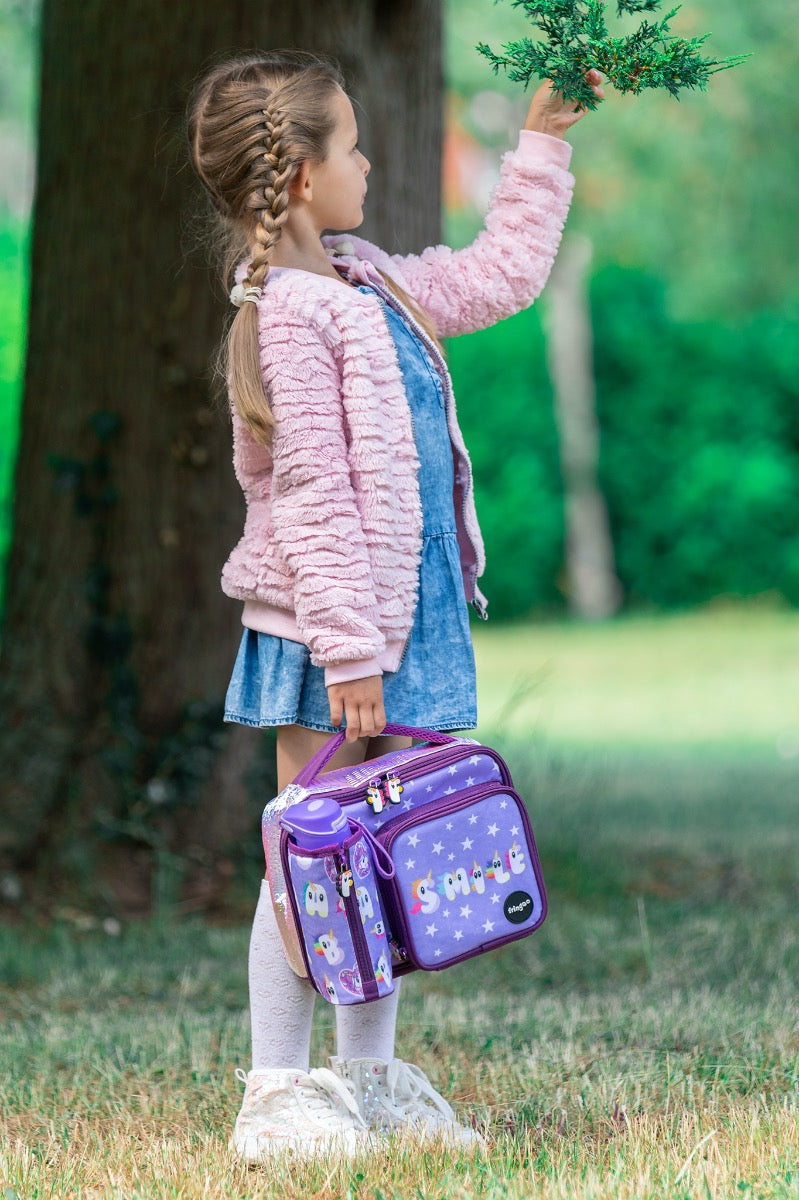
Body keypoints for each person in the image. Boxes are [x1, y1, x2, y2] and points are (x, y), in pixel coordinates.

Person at [188, 50, 603, 1160]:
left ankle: (362, 1082)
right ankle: (274, 1093)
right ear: (300, 176)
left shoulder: (369, 281)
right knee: (308, 853)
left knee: (380, 854)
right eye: (355, 145)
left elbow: (499, 275)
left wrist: (544, 140)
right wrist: (348, 656)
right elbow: (315, 499)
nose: (370, 161)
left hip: (402, 623)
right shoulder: (291, 315)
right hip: (334, 635)